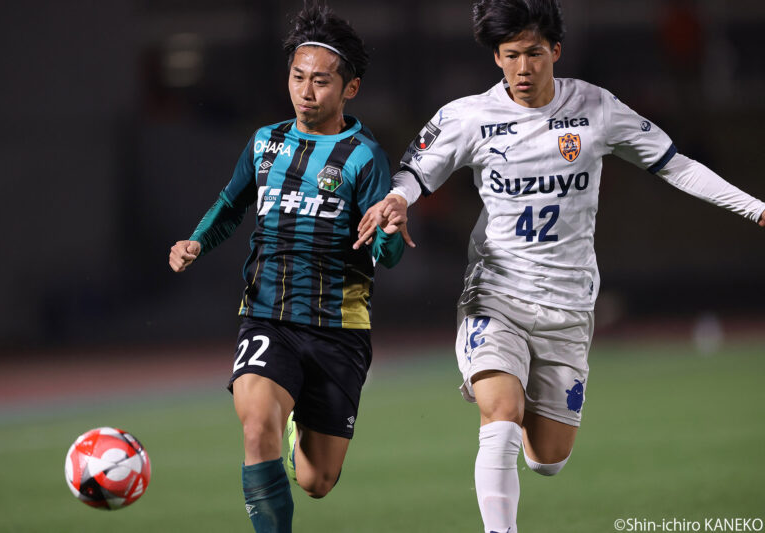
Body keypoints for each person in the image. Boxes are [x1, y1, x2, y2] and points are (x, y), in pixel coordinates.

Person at [355, 0, 765, 531]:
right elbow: (415, 172)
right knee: (500, 412)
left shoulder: (595, 107)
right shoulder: (468, 116)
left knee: (548, 458)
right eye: (510, 55)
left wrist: (755, 208)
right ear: (496, 58)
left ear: (556, 51)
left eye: (534, 53)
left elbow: (675, 165)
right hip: (495, 291)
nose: (523, 68)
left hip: (568, 304)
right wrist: (397, 199)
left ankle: (528, 397)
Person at [169, 3, 404, 531]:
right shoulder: (265, 142)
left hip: (339, 330)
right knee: (257, 429)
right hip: (267, 316)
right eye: (298, 77)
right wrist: (197, 241)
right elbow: (231, 204)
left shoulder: (364, 157)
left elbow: (385, 255)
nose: (305, 91)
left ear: (350, 88)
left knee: (317, 481)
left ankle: (302, 425)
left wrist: (389, 232)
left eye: (321, 81)